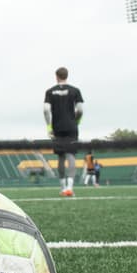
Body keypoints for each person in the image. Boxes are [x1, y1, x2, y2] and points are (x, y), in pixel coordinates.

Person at [43, 66, 84, 197]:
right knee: (70, 155)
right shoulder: (75, 91)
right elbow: (80, 109)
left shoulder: (50, 92)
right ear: (67, 75)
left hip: (57, 127)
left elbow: (46, 110)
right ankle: (70, 188)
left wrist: (49, 126)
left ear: (56, 76)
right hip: (71, 127)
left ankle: (62, 187)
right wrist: (76, 121)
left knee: (61, 157)